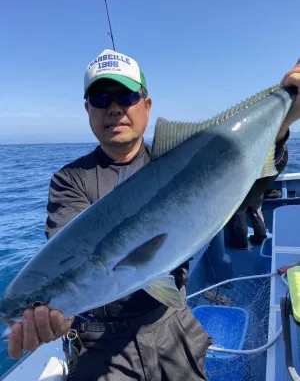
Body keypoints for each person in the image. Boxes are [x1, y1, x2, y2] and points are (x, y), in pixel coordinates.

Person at [7, 51, 300, 381]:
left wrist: (283, 121)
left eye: (127, 96)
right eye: (101, 97)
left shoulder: (185, 155)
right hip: (100, 342)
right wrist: (62, 314)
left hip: (170, 321)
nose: (115, 107)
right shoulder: (71, 180)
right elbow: (68, 253)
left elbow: (248, 191)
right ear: (87, 110)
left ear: (146, 106)